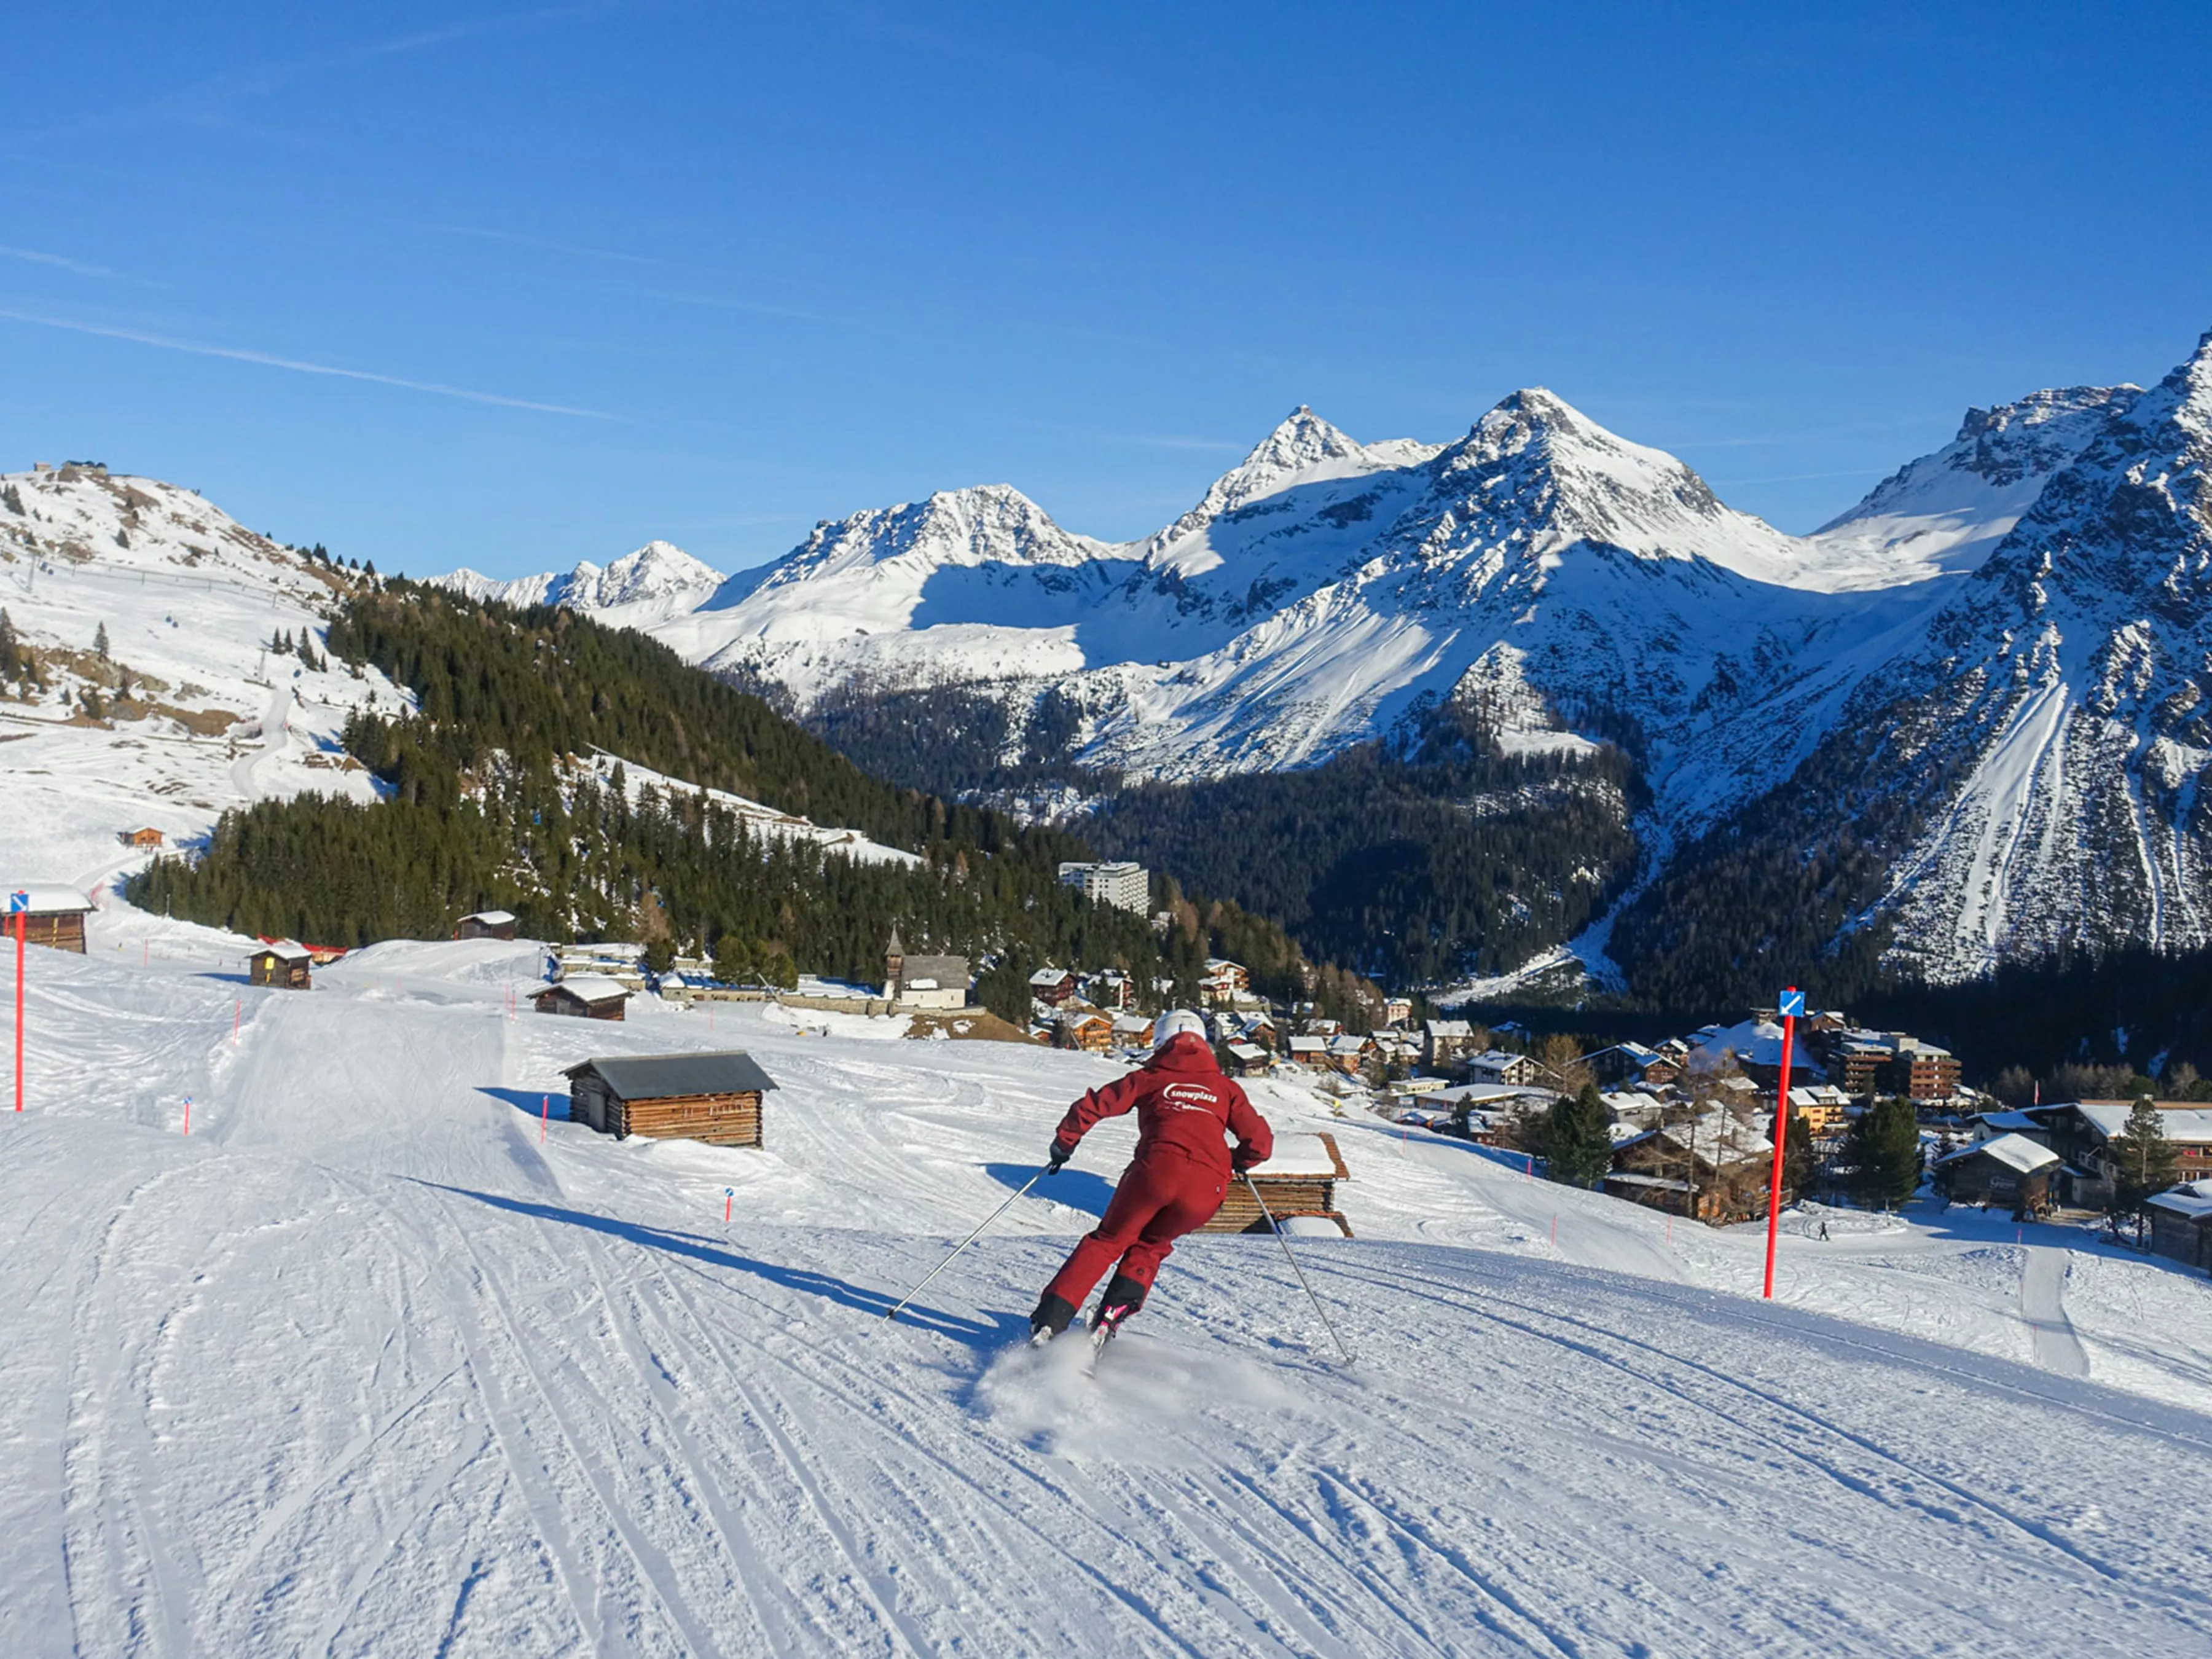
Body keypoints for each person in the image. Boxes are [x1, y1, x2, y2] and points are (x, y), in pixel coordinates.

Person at [1029, 1009, 1274, 1343]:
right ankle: (1108, 1319)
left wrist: (1064, 1144)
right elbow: (1261, 1144)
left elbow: (1095, 1105)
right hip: (1207, 1187)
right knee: (1151, 1246)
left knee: (1108, 1242)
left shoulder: (1150, 1077)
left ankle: (1050, 1321)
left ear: (1160, 1043)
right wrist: (1235, 1162)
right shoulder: (1226, 1088)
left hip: (1155, 1172)